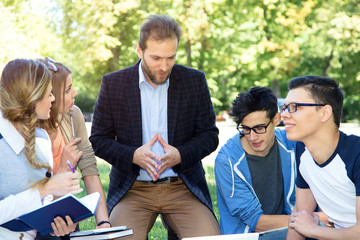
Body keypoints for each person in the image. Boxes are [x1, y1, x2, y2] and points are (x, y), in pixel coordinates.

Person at [90, 14, 221, 239]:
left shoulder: (194, 81)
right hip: (133, 189)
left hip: (182, 186)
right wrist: (133, 155)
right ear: (139, 51)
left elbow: (210, 135)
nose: (164, 66)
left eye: (171, 58)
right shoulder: (113, 84)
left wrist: (180, 154)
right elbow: (99, 140)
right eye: (156, 58)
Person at [0, 58, 83, 239]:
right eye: (49, 94)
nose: (53, 98)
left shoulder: (41, 138)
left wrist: (58, 221)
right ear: (32, 98)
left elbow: (41, 207)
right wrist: (44, 190)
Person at [35, 57, 110, 240]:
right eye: (68, 90)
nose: (75, 93)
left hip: (63, 216)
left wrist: (104, 223)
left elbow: (90, 171)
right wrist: (63, 167)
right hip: (34, 217)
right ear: (49, 93)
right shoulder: (26, 127)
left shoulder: (73, 115)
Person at [282, 76, 360, 239]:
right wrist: (307, 228)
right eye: (285, 107)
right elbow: (300, 215)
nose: (284, 115)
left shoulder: (356, 154)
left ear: (325, 113)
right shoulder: (303, 149)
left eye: (294, 107)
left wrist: (312, 230)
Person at [214, 87, 296, 237]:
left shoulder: (292, 144)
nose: (252, 137)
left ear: (277, 119)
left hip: (290, 230)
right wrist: (313, 221)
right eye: (246, 128)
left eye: (259, 128)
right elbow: (257, 223)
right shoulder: (227, 161)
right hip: (248, 236)